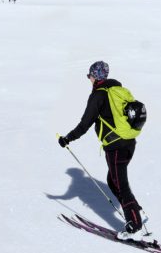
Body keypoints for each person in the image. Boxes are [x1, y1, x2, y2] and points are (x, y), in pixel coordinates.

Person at [58, 61, 150, 236]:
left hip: (115, 146)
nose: (89, 79)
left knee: (121, 184)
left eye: (90, 75)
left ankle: (135, 226)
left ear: (95, 76)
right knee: (113, 180)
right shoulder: (118, 90)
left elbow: (85, 124)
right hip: (129, 142)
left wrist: (68, 138)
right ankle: (138, 213)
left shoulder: (99, 95)